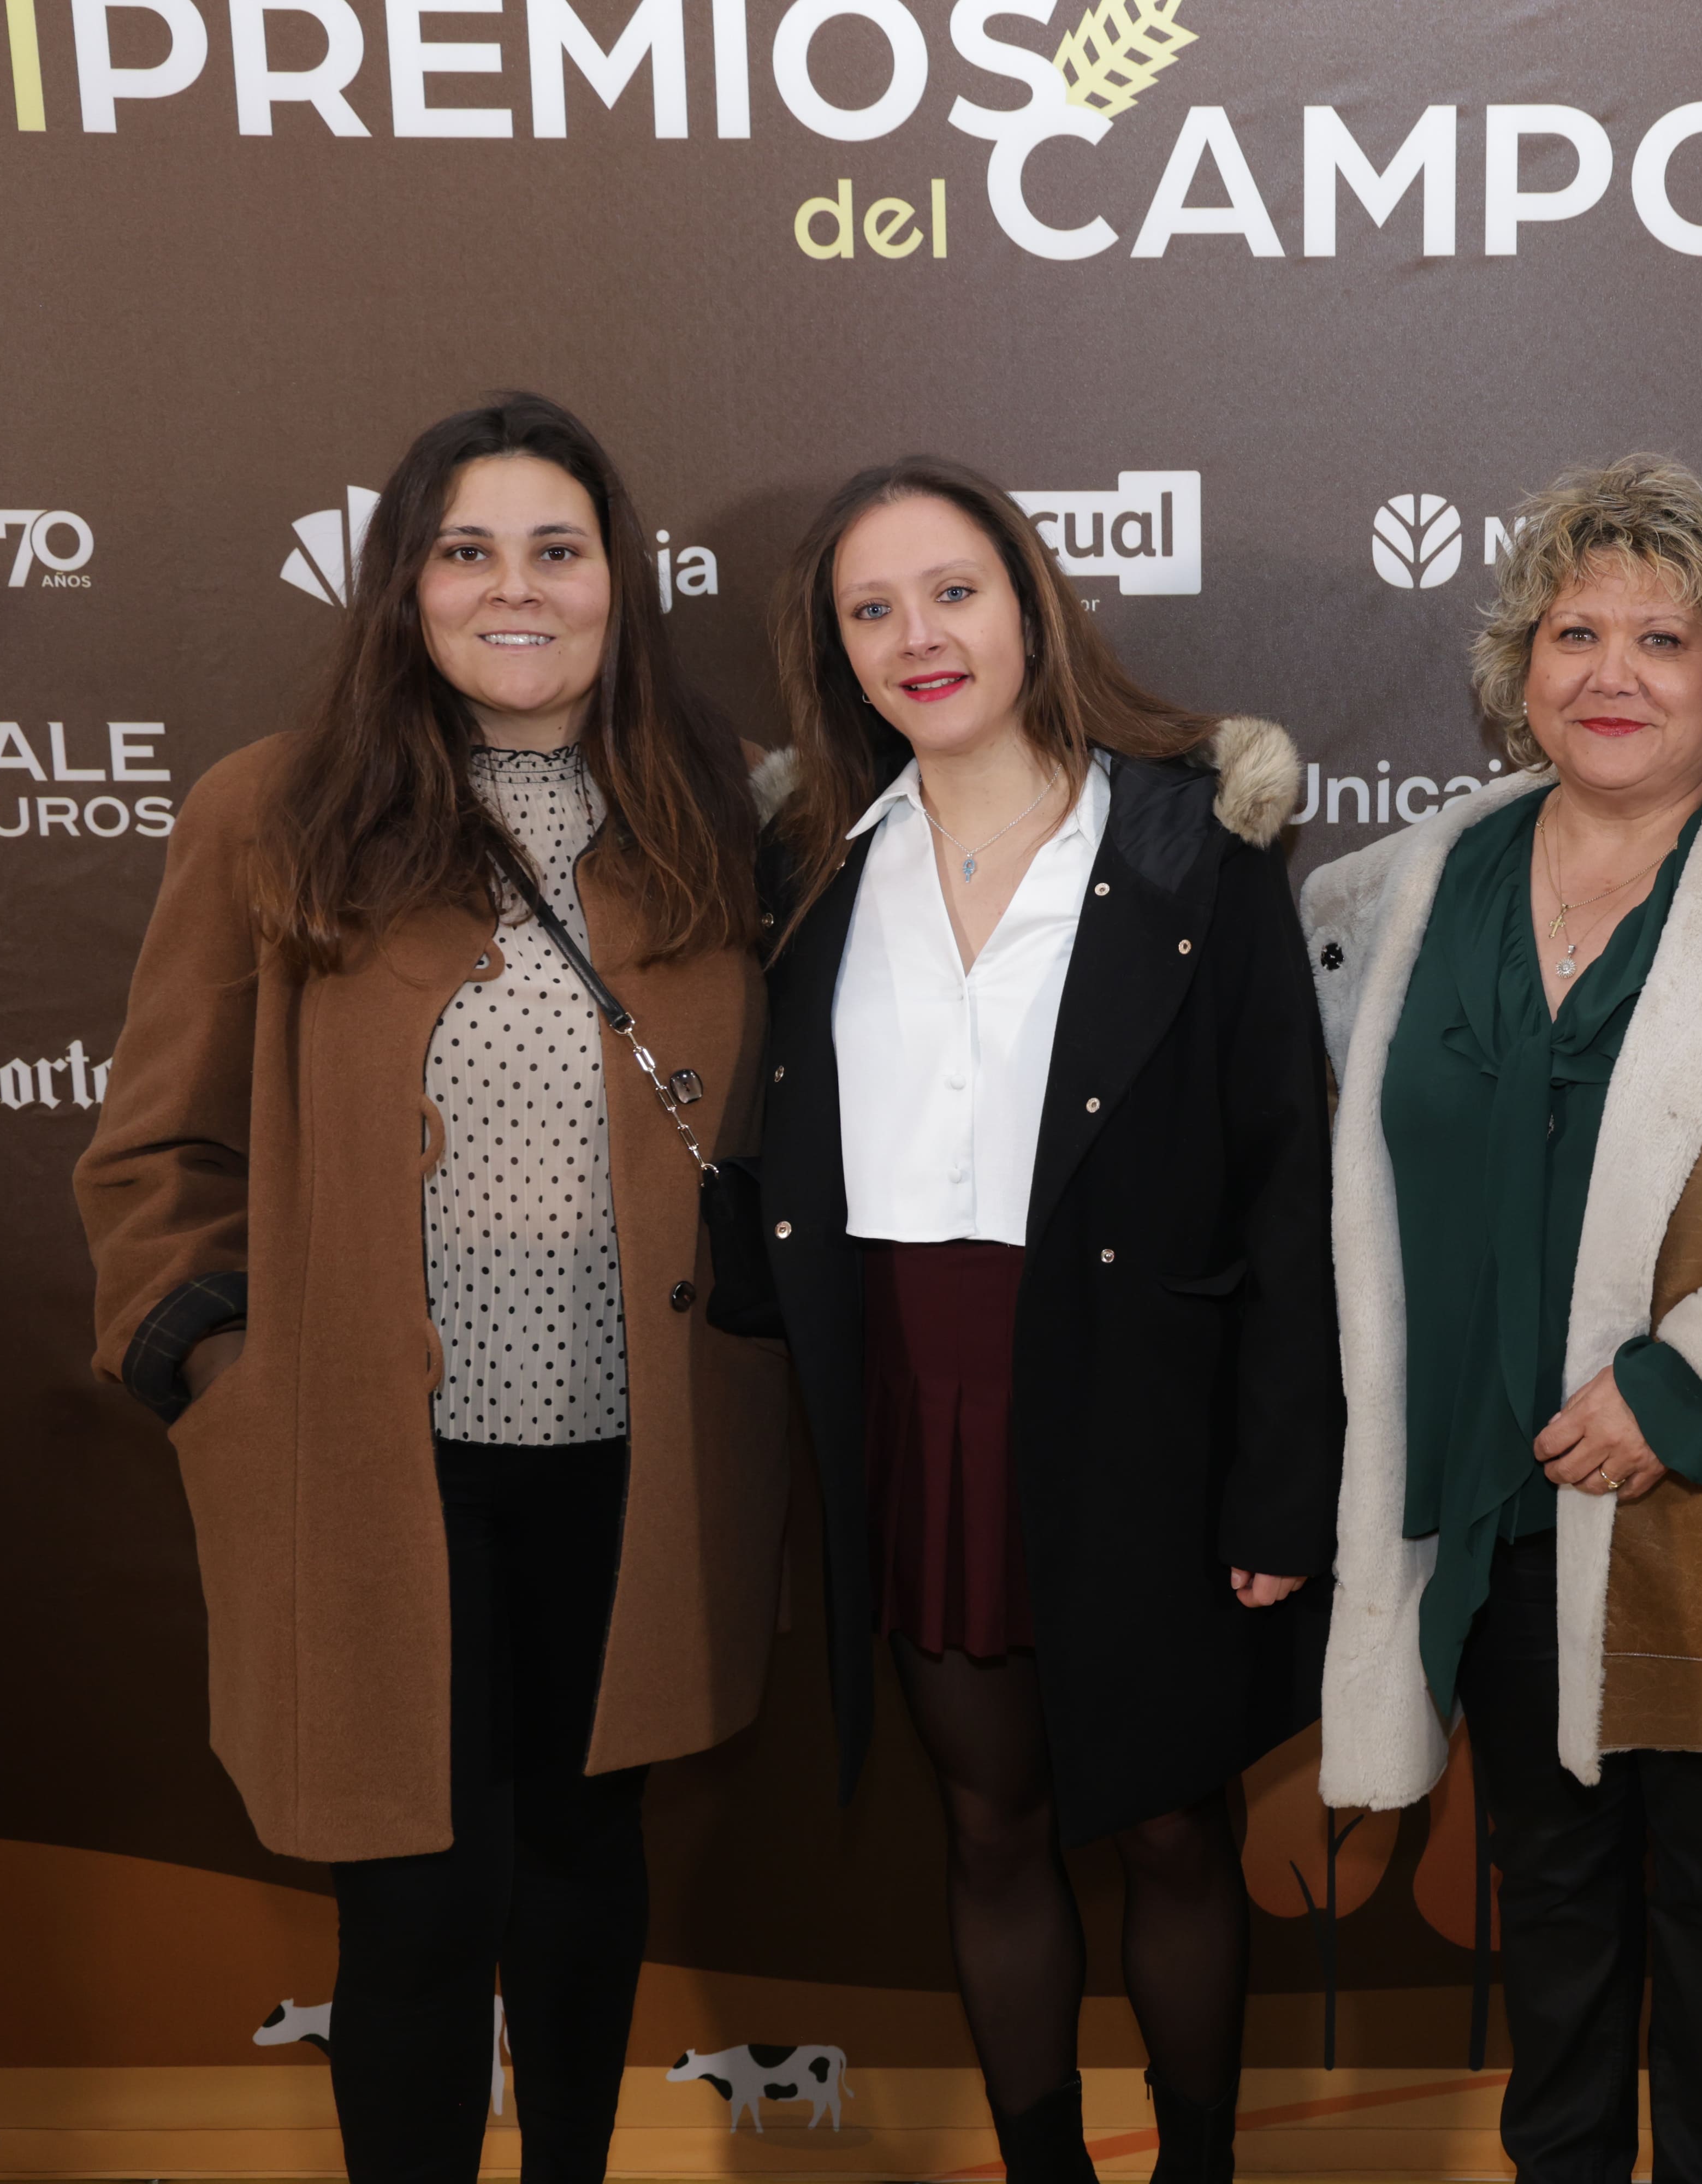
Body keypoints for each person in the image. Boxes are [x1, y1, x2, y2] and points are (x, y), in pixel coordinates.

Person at [76, 393, 786, 2184]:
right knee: (411, 1910)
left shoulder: (713, 811)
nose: (515, 590)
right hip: (375, 1473)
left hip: (631, 1469)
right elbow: (155, 1151)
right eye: (467, 551)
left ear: (621, 585)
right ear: (404, 586)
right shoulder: (278, 811)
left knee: (578, 1883)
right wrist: (209, 1362)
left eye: (558, 550)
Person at [1304, 454, 1702, 2184]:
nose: (1612, 671)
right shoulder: (1417, 893)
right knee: (1556, 1910)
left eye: (1661, 639)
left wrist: (1686, 1384)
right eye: (1571, 630)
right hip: (1505, 1504)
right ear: (1516, 672)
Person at [750, 458, 1341, 2184]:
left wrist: (1278, 1484)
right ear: (836, 650)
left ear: (1031, 606)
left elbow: (1281, 1183)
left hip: (1139, 1408)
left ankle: (1200, 2171)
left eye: (953, 592)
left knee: (1170, 1827)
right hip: (914, 1401)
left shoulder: (1189, 847)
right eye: (873, 609)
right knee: (990, 1823)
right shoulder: (806, 872)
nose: (918, 636)